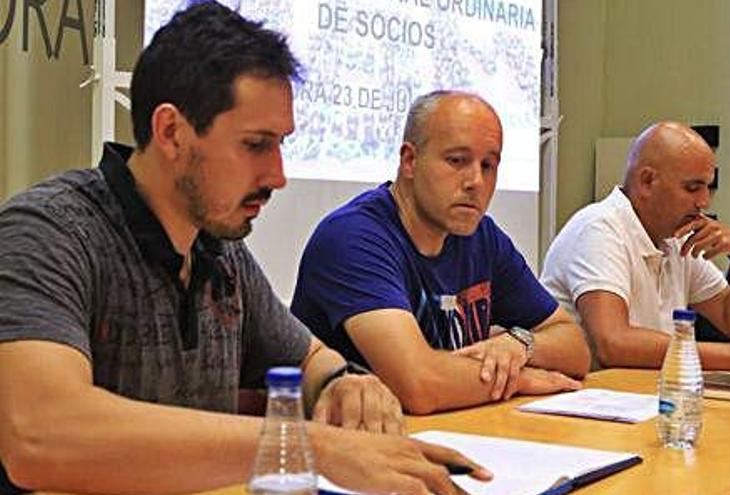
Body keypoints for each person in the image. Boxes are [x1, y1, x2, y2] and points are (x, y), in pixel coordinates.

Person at [0, 4, 490, 495]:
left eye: (280, 145)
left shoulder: (219, 251)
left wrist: (345, 383)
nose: (277, 175)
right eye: (256, 145)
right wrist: (312, 446)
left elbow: (311, 360)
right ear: (171, 132)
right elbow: (40, 433)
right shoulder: (48, 232)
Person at [291, 90, 590, 415]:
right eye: (457, 161)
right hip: (357, 445)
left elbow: (575, 348)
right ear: (409, 161)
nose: (476, 181)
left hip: (458, 432)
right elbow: (419, 385)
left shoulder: (482, 236)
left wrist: (520, 345)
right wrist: (519, 379)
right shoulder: (352, 238)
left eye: (488, 165)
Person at [541, 122, 730, 370]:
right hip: (588, 401)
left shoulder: (677, 237)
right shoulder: (599, 228)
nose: (704, 202)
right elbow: (613, 344)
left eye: (708, 187)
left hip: (644, 396)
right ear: (647, 182)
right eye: (693, 188)